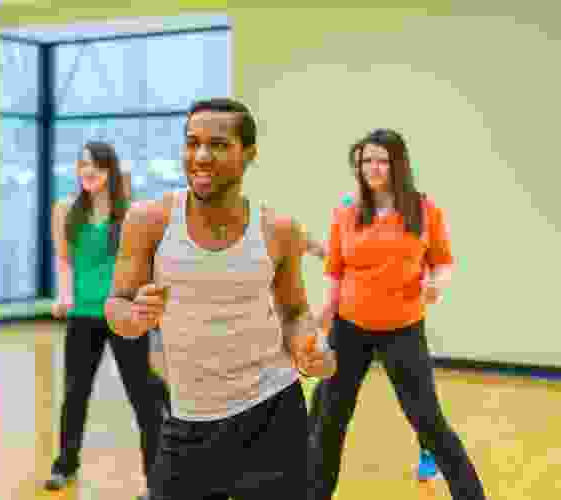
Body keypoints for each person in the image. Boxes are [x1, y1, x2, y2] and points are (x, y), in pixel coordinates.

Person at [104, 98, 336, 500]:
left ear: (249, 154)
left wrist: (308, 347)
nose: (202, 156)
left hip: (274, 413)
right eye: (192, 143)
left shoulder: (277, 229)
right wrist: (135, 317)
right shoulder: (149, 221)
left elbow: (295, 311)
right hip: (190, 419)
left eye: (218, 144)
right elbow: (117, 307)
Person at [308, 128, 485, 499]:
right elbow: (337, 271)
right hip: (349, 327)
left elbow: (443, 261)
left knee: (428, 420)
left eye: (381, 160)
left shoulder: (424, 208)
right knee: (330, 421)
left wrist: (437, 283)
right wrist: (325, 315)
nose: (372, 168)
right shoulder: (346, 210)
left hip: (402, 329)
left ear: (398, 164)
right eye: (366, 160)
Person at [44, 141, 165, 499]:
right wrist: (64, 296)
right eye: (82, 164)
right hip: (83, 316)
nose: (87, 170)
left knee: (142, 397)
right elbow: (64, 261)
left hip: (124, 313)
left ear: (110, 170)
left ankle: (156, 479)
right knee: (74, 393)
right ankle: (65, 464)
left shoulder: (129, 213)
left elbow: (145, 262)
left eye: (95, 165)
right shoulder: (65, 210)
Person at [305, 187, 442, 481]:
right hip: (353, 324)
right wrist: (316, 251)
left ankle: (429, 450)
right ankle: (308, 449)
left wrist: (431, 282)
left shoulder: (412, 214)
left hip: (398, 324)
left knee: (418, 399)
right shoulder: (349, 210)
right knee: (326, 393)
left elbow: (427, 261)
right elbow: (341, 261)